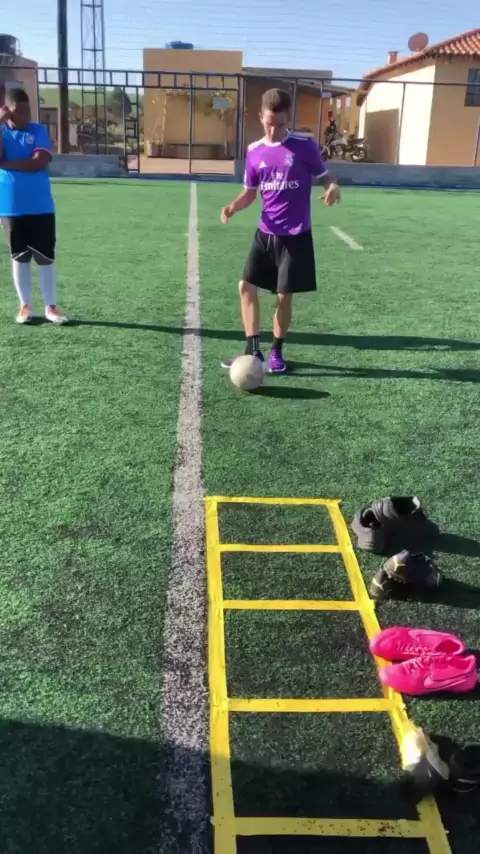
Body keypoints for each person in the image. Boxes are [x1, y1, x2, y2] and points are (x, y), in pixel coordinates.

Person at [220, 87, 340, 373]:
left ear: (289, 120)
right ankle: (252, 350)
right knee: (245, 286)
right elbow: (250, 192)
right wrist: (233, 206)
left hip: (296, 236)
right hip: (265, 233)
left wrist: (333, 186)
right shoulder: (254, 151)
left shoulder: (304, 146)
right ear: (260, 117)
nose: (273, 130)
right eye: (268, 124)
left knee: (284, 296)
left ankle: (276, 351)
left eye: (280, 124)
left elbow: (326, 177)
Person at [0, 87, 68, 325]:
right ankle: (25, 306)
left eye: (28, 110)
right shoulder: (2, 131)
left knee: (45, 257)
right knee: (19, 257)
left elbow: (38, 163)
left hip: (41, 205)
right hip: (10, 206)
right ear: (7, 111)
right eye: (19, 111)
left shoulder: (38, 130)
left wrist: (5, 163)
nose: (25, 116)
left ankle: (51, 307)